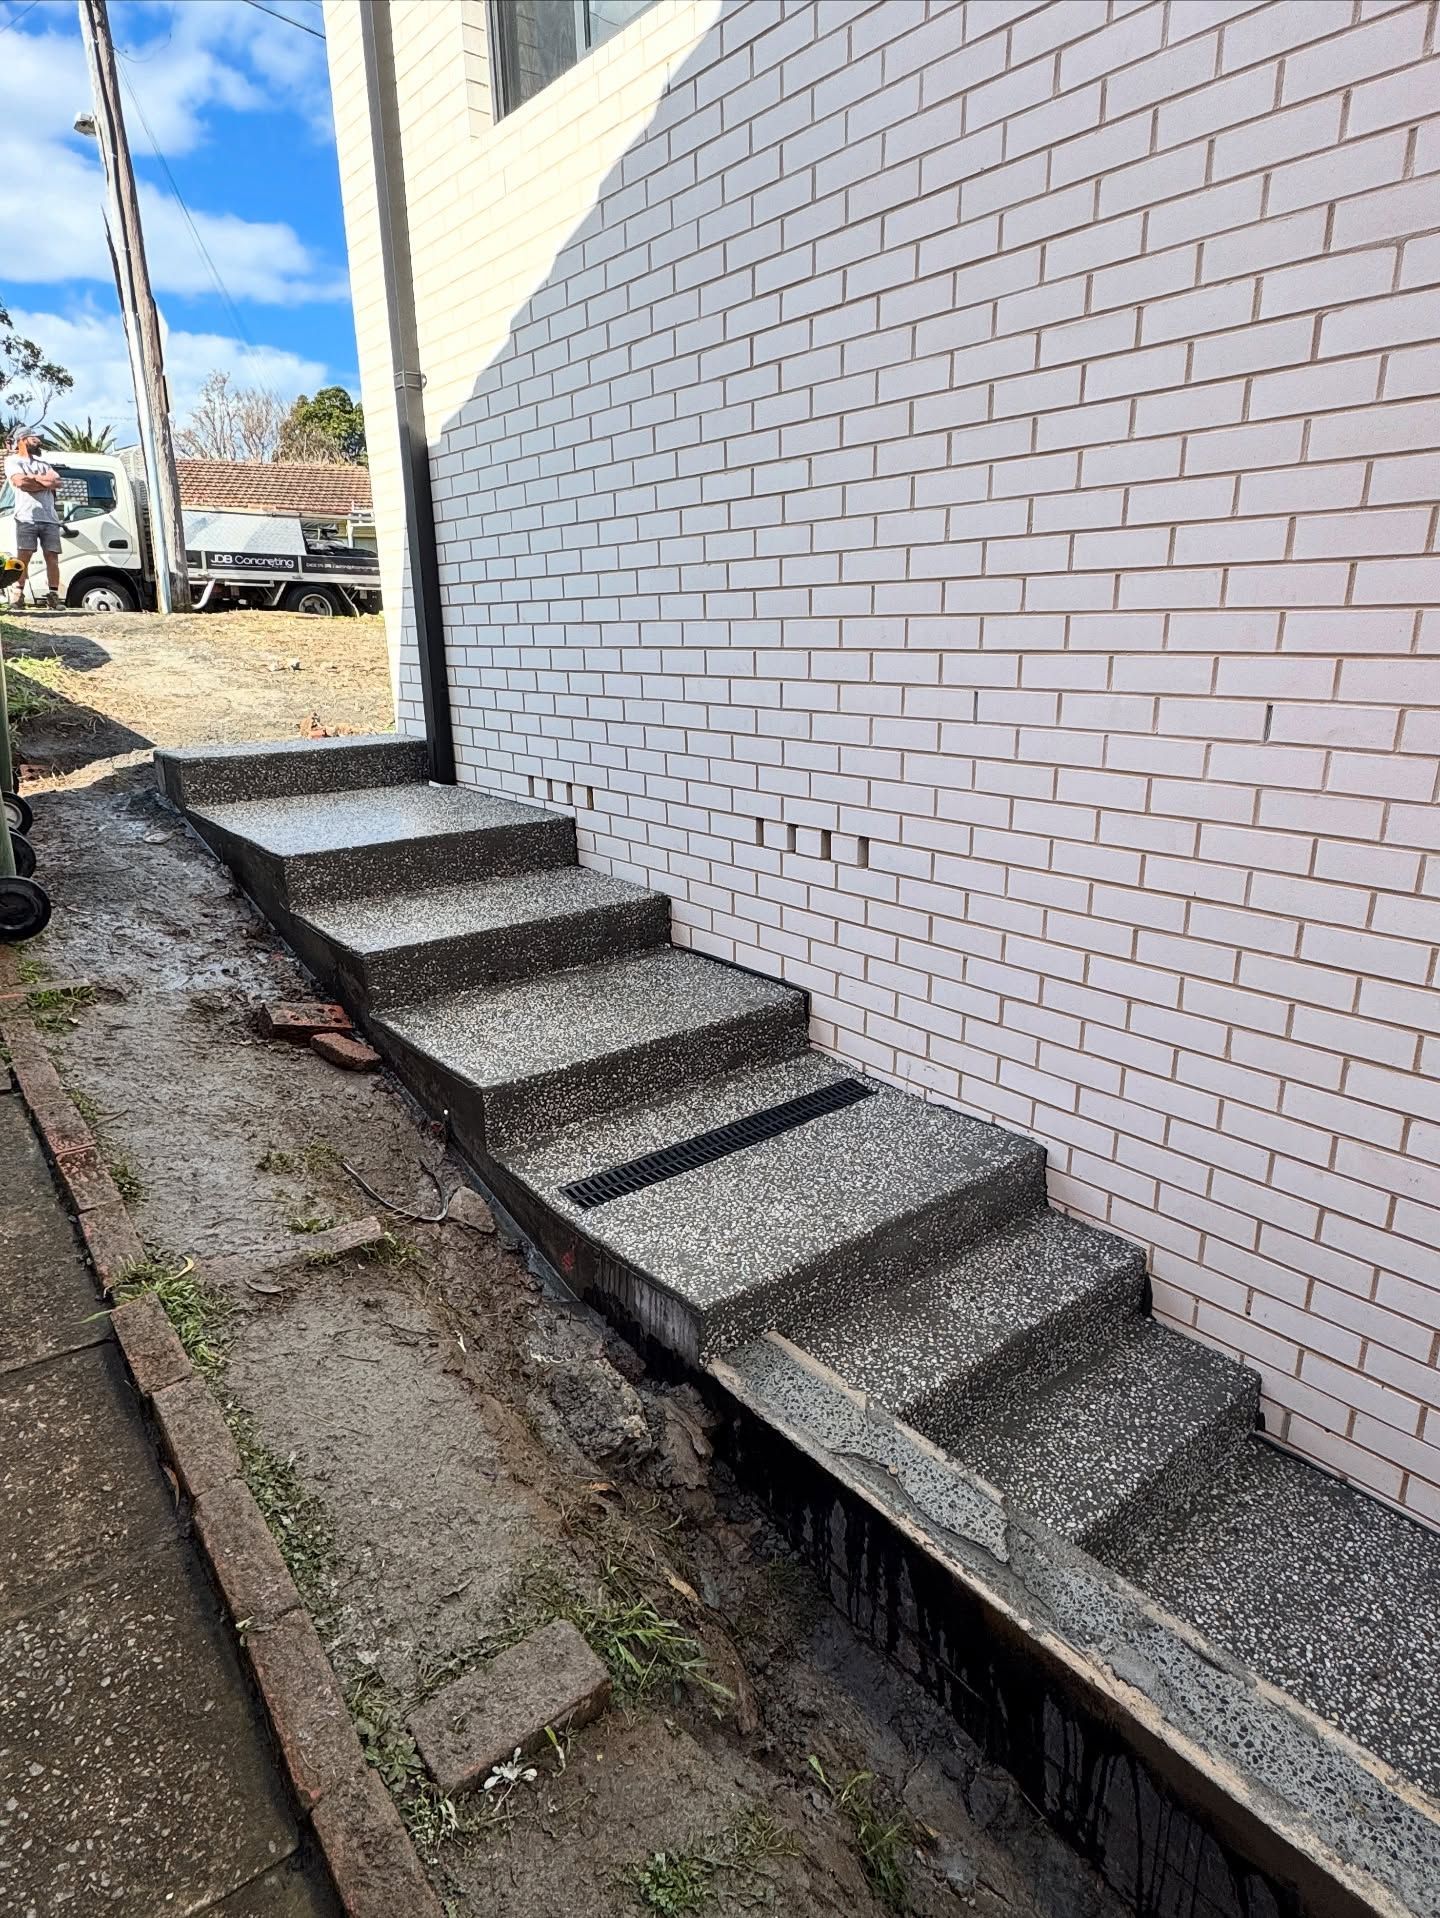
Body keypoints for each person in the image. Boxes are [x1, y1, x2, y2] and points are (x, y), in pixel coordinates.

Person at [4, 431, 63, 609]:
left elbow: (57, 482)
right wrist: (44, 482)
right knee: (24, 557)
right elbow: (21, 482)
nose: (38, 441)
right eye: (34, 438)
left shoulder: (44, 463)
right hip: (26, 517)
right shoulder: (13, 461)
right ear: (22, 440)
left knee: (52, 557)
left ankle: (53, 596)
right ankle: (18, 595)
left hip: (50, 518)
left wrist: (34, 479)